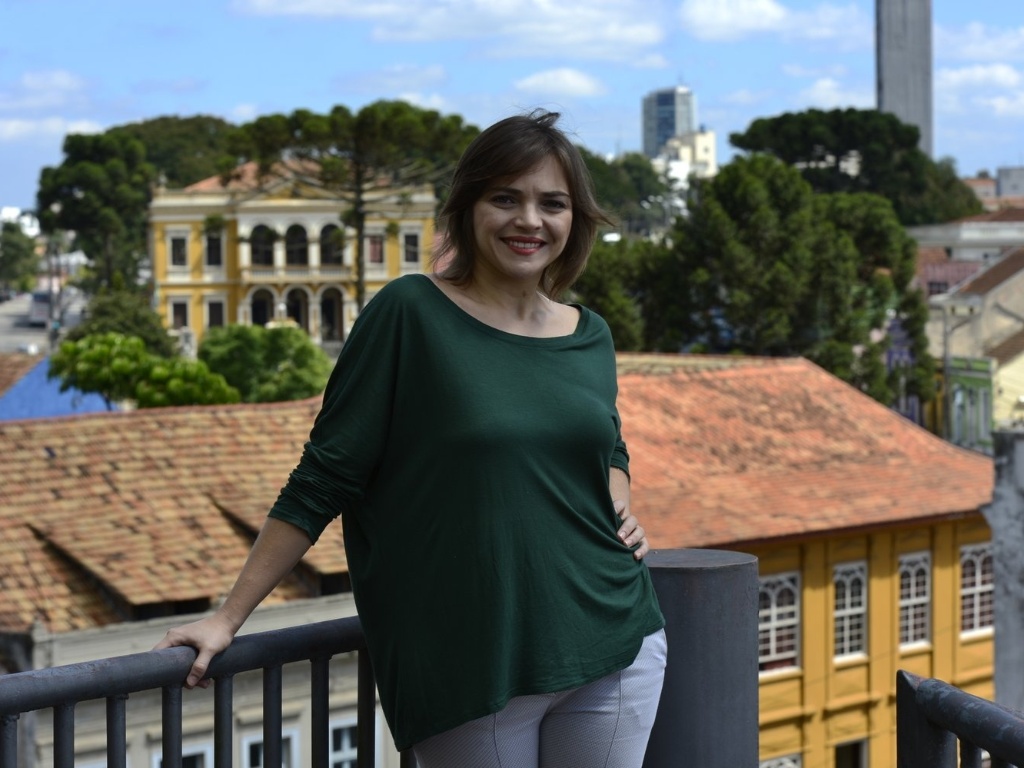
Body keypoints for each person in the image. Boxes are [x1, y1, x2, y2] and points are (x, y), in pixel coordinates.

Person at [156, 109, 667, 767]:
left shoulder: (587, 332)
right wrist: (227, 617)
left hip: (615, 638)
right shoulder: (409, 314)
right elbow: (324, 476)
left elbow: (607, 444)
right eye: (505, 198)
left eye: (552, 203)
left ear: (576, 220)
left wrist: (618, 503)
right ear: (467, 207)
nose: (530, 221)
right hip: (467, 663)